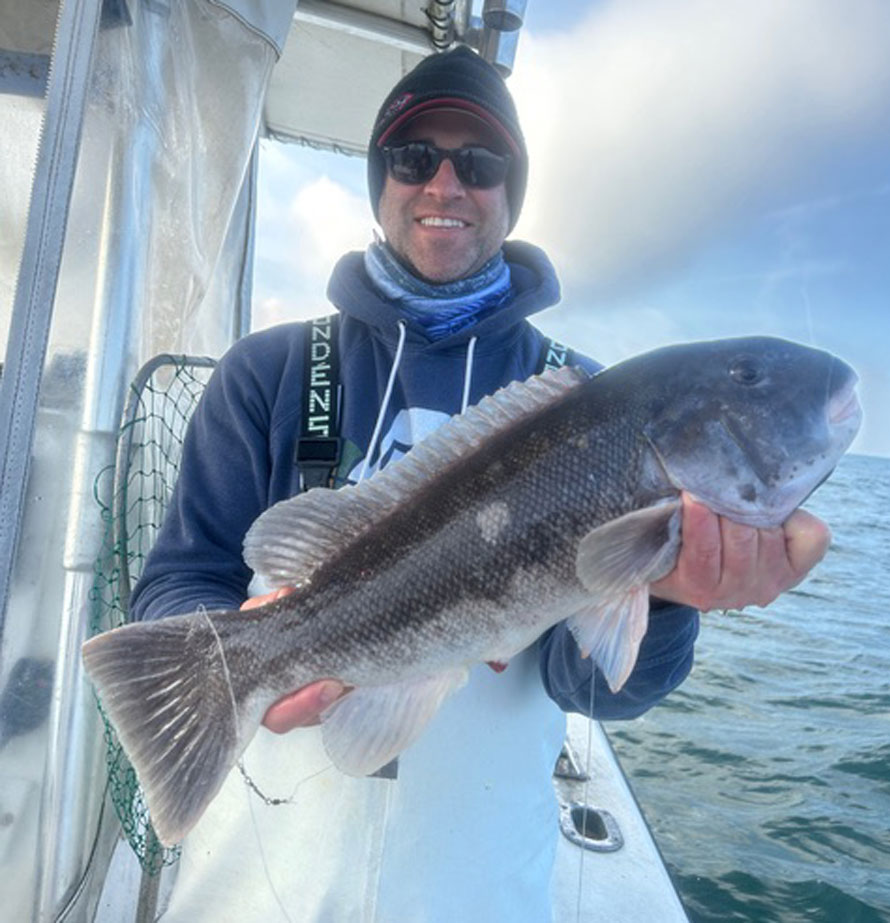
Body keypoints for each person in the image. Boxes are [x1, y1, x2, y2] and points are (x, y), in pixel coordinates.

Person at [130, 46, 830, 922]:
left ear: (512, 189)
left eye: (481, 163)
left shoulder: (583, 398)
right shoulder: (267, 371)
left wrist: (667, 592)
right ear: (380, 179)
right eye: (413, 156)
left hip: (477, 884)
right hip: (262, 879)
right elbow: (179, 578)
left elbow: (590, 685)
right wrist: (237, 653)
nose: (445, 184)